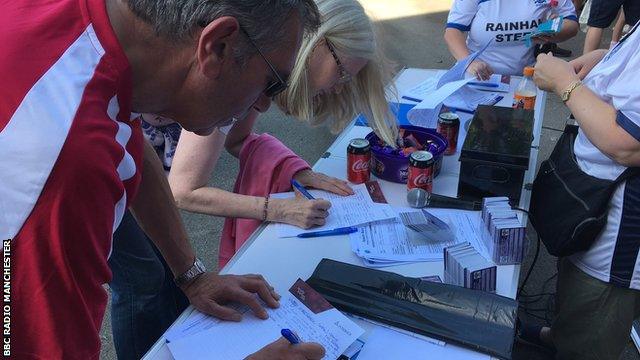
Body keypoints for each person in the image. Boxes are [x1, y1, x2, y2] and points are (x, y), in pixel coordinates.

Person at [1, 0, 326, 359]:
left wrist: (193, 273)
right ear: (217, 45)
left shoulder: (110, 42)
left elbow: (130, 132)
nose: (264, 105)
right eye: (272, 82)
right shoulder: (65, 161)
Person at [168, 0, 397, 267]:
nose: (338, 88)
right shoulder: (245, 67)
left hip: (141, 165)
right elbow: (184, 190)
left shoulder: (265, 75)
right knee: (150, 283)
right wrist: (277, 209)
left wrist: (295, 171)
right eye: (342, 73)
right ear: (318, 43)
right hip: (126, 169)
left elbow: (237, 139)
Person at [524, 21, 640, 359]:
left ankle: (573, 344)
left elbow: (628, 145)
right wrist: (607, 59)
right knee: (573, 295)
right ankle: (561, 335)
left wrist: (565, 83)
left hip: (619, 239)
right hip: (594, 201)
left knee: (593, 317)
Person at [444, 0, 579, 79]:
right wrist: (469, 62)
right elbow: (452, 32)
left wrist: (554, 29)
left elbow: (572, 24)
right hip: (477, 77)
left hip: (523, 80)